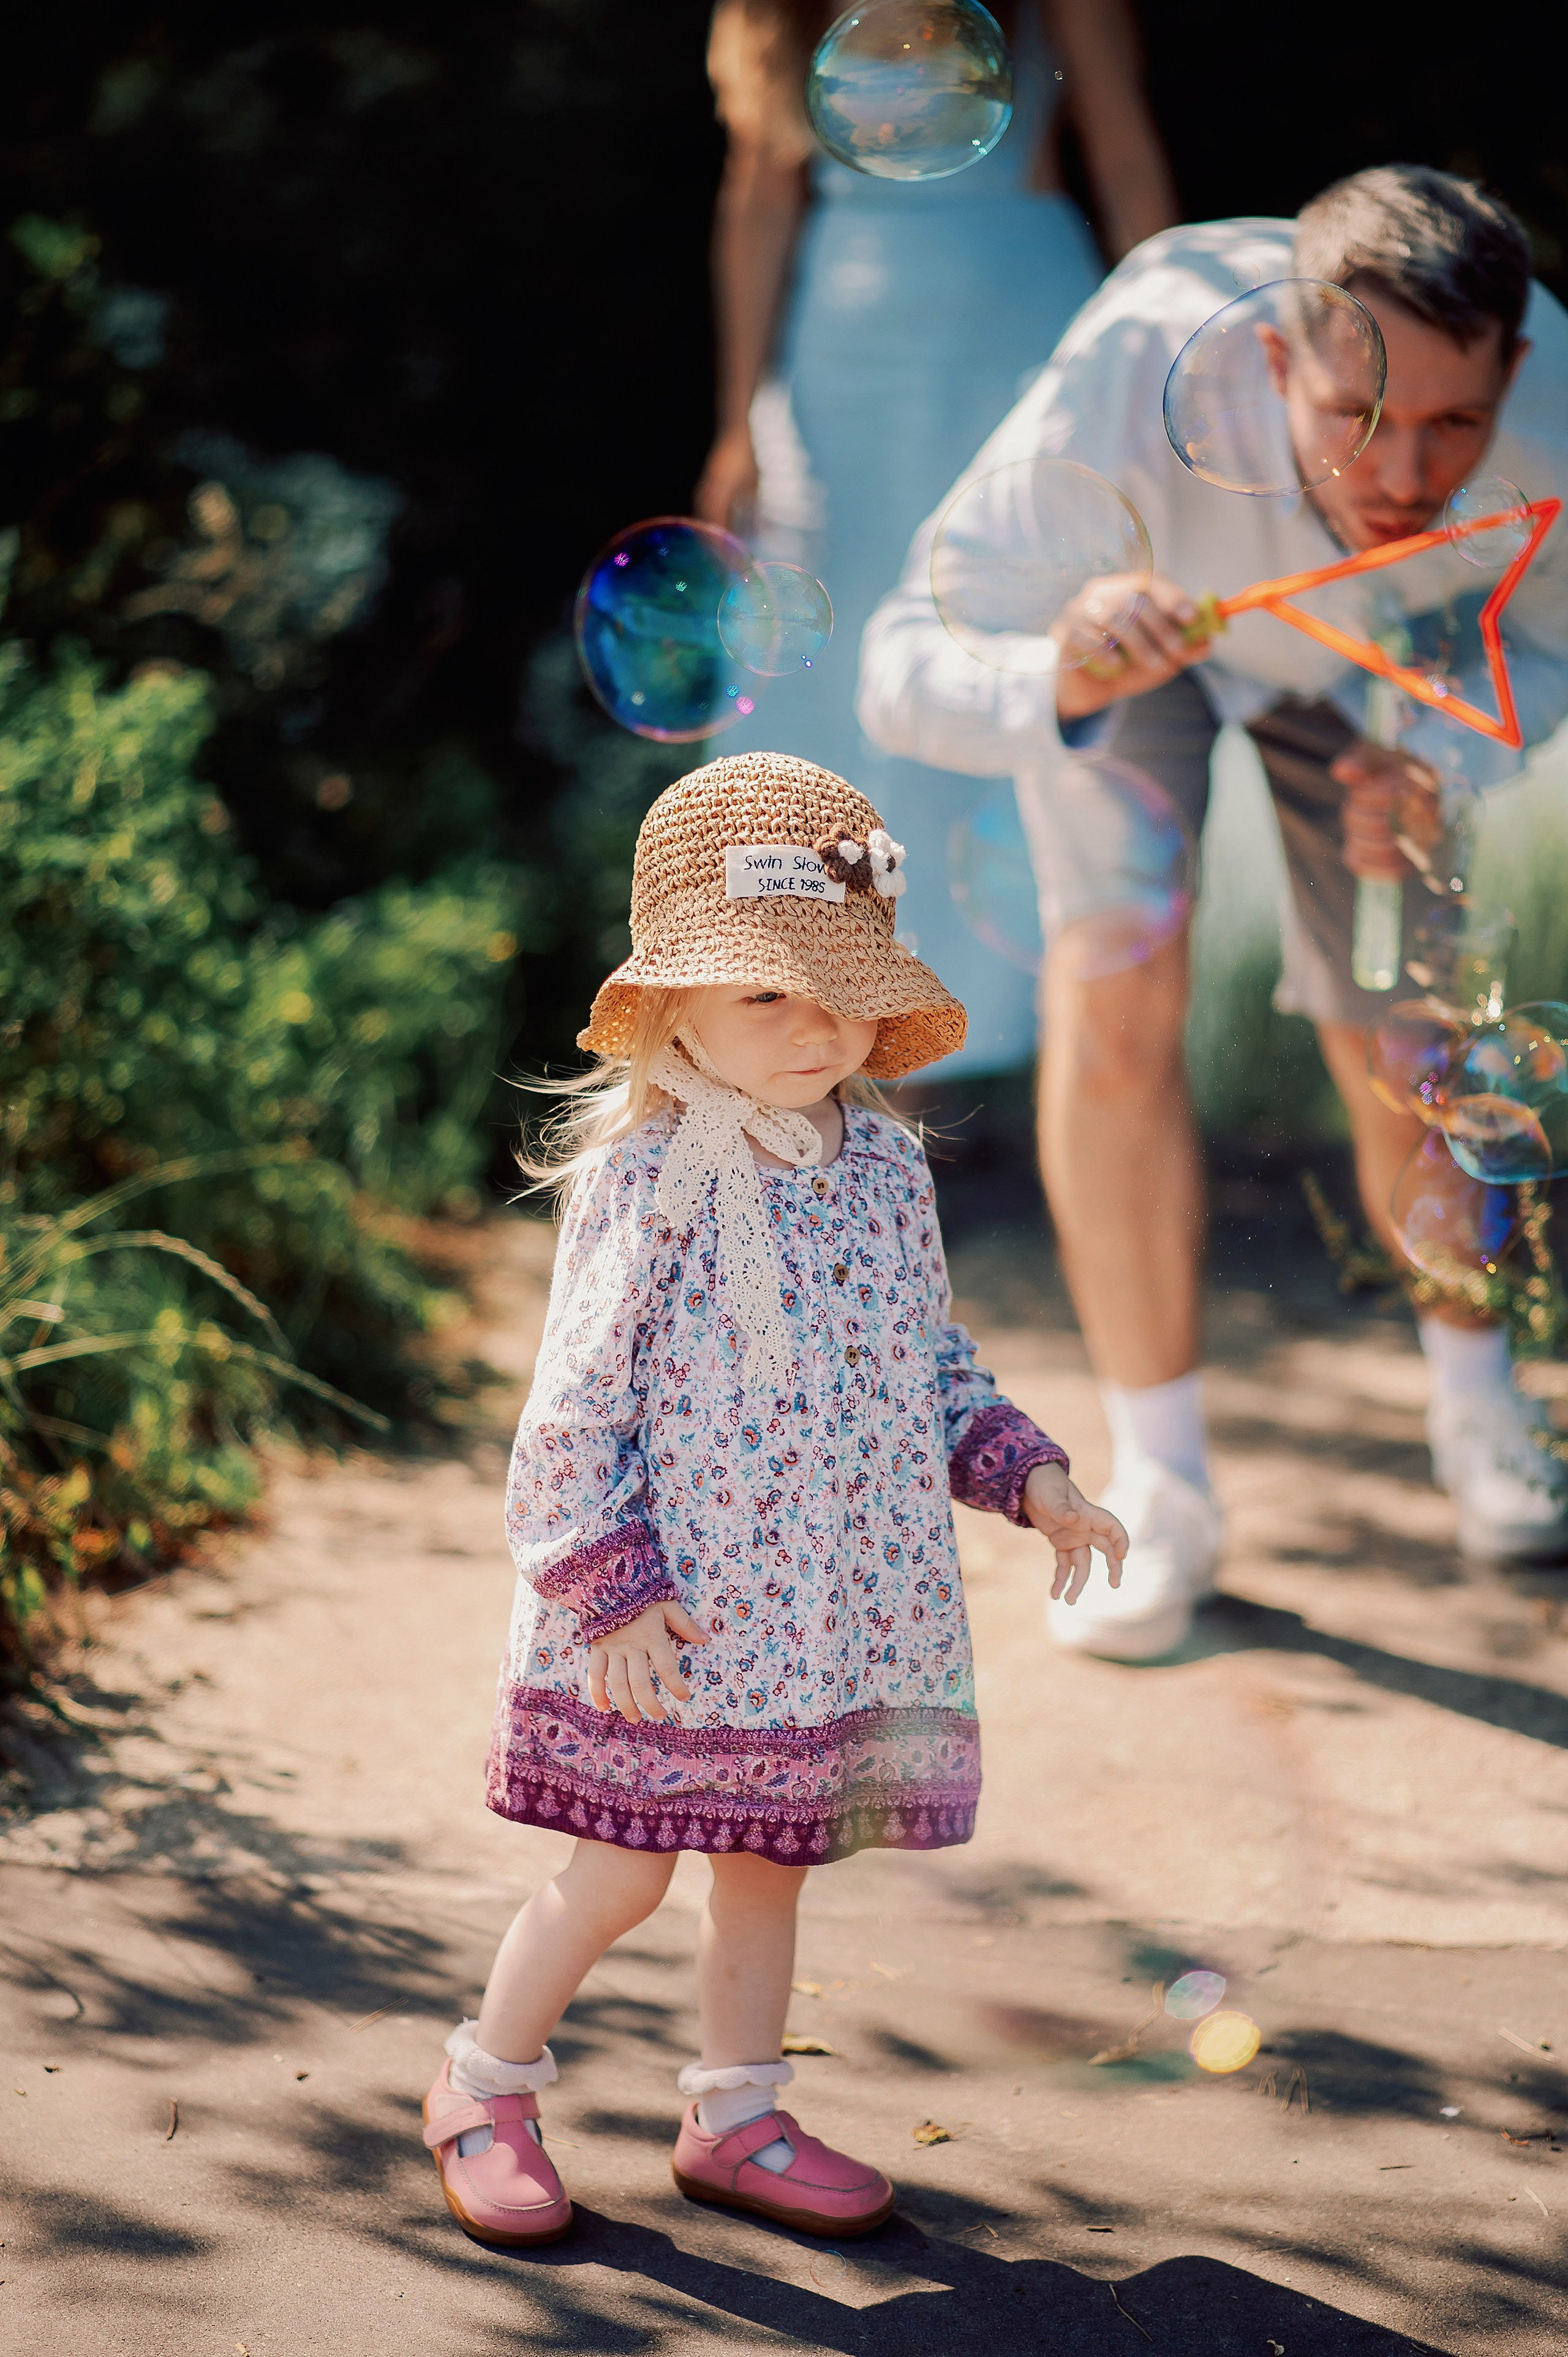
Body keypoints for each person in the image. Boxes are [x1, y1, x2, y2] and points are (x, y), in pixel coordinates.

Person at [858, 165, 1568, 1661]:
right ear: (1270, 362)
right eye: (1359, 420)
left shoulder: (1553, 408)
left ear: (1510, 363)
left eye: (1455, 422)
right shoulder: (1128, 377)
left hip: (1389, 665)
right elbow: (898, 666)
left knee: (1406, 1019)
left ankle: (1476, 1407)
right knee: (1113, 998)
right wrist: (1056, 671)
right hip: (1138, 642)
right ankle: (1156, 1483)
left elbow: (1551, 645)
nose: (1407, 470)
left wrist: (1438, 757)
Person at [421, 750, 1127, 2245]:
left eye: (841, 986)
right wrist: (605, 1584)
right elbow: (573, 1411)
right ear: (671, 1006)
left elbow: (928, 1363)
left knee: (764, 1868)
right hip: (662, 1617)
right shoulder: (646, 1175)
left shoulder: (880, 1165)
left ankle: (734, 2112)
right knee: (615, 1872)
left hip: (815, 1622)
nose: (817, 1023)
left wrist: (1029, 1473)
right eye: (766, 993)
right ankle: (484, 2082)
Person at [694, 0, 1175, 1074]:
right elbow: (759, 192)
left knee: (999, 627)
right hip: (842, 353)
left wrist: (1161, 366)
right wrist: (738, 419)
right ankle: (815, 1014)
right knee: (828, 654)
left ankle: (991, 1029)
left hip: (1013, 328)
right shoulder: (780, 15)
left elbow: (1126, 152)